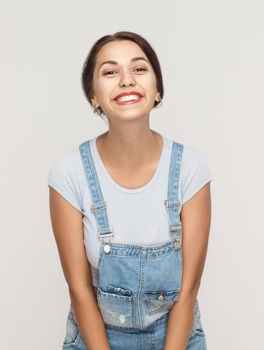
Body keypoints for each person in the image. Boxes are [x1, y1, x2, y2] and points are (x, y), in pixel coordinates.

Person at [48, 31, 212, 350]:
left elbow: (188, 289)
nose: (126, 80)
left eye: (139, 69)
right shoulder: (69, 172)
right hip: (95, 339)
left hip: (175, 338)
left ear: (157, 89)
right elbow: (80, 290)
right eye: (110, 72)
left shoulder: (190, 168)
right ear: (93, 97)